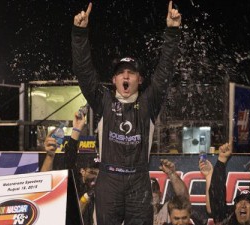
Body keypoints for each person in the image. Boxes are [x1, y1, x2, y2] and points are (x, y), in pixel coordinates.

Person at [71, 1, 182, 225]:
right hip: (108, 180)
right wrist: (79, 33)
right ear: (113, 80)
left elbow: (165, 71)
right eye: (121, 73)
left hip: (138, 180)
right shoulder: (102, 100)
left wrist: (172, 31)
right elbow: (84, 71)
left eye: (131, 73)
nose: (125, 76)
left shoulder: (149, 101)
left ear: (140, 80)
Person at [41, 111, 98, 225]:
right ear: (82, 171)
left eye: (97, 173)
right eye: (92, 171)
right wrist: (76, 130)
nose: (94, 176)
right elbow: (70, 159)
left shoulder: (108, 188)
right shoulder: (74, 185)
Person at [209, 143, 250, 225]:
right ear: (234, 209)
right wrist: (221, 160)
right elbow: (216, 194)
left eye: (249, 201)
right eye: (239, 201)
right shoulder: (227, 221)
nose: (243, 204)